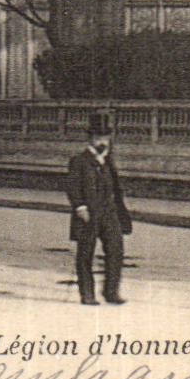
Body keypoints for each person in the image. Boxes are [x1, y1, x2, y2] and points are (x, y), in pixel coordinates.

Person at [66, 114, 132, 305]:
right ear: (90, 139)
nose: (102, 142)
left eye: (104, 138)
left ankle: (111, 292)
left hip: (109, 215)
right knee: (86, 254)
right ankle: (87, 294)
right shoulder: (79, 161)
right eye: (97, 138)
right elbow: (73, 187)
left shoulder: (108, 162)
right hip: (88, 215)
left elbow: (116, 188)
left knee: (116, 251)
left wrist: (120, 212)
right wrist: (80, 207)